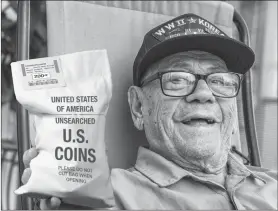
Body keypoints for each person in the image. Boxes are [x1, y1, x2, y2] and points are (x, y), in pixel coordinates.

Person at [22, 13, 277, 210]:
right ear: (138, 107)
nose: (204, 93)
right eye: (178, 79)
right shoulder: (109, 196)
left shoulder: (272, 183)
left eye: (221, 81)